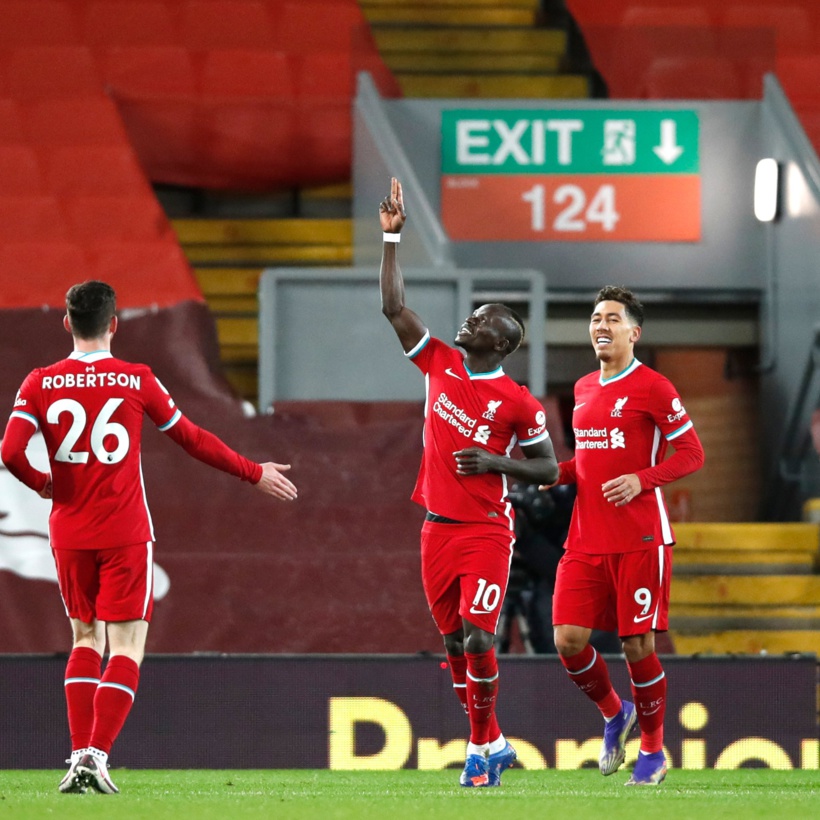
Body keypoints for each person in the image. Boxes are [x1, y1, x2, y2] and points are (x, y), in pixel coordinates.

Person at [1, 281, 298, 795]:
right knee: (127, 646)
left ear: (67, 323)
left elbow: (9, 453)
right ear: (115, 324)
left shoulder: (40, 384)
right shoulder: (135, 379)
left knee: (84, 638)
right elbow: (191, 437)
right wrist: (253, 471)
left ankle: (76, 757)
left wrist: (47, 485)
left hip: (69, 529)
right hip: (124, 531)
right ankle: (96, 755)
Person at [379, 178, 558, 787]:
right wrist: (391, 238)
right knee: (456, 645)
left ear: (500, 343)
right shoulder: (440, 362)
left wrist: (496, 463)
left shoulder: (518, 403)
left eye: (480, 319)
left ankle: (479, 755)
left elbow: (550, 470)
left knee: (481, 635)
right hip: (435, 528)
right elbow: (393, 309)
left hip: (486, 529)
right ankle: (495, 742)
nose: (469, 320)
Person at [542, 286, 705, 786]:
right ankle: (616, 714)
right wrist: (554, 473)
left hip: (640, 538)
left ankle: (653, 753)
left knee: (637, 645)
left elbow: (692, 453)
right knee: (567, 640)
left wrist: (642, 478)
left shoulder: (655, 387)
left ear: (634, 332)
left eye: (612, 318)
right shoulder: (585, 388)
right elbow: (588, 464)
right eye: (595, 318)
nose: (601, 326)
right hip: (586, 537)